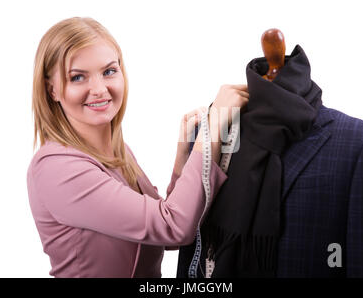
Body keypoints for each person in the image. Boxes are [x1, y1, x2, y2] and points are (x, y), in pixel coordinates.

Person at [26, 16, 249, 277]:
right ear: (51, 89)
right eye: (78, 77)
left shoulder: (117, 150)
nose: (99, 89)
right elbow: (175, 226)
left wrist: (184, 159)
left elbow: (167, 237)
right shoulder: (58, 169)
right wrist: (211, 132)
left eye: (109, 71)